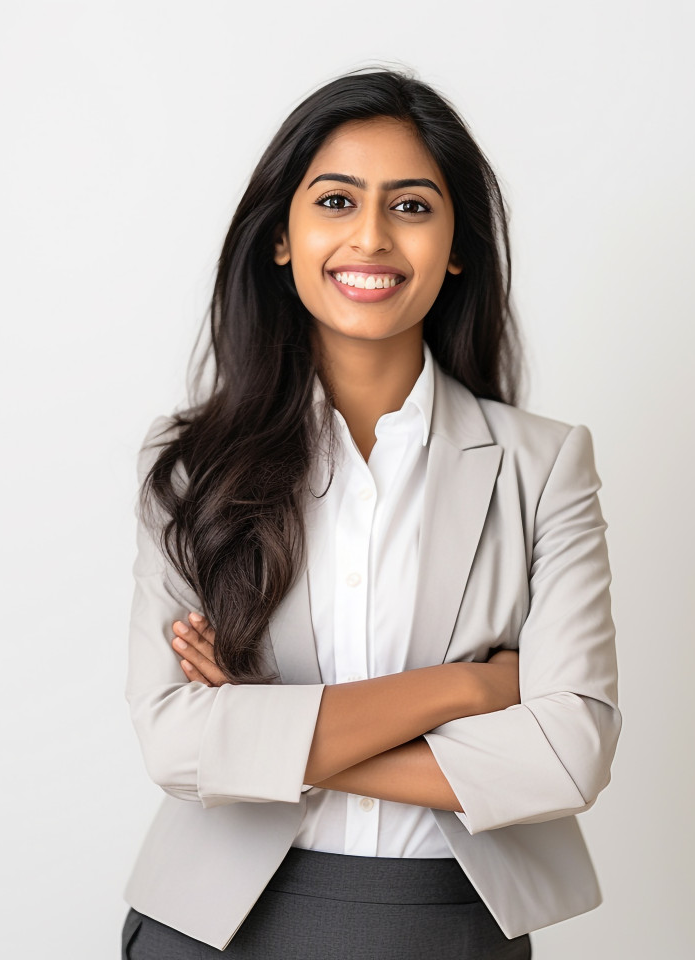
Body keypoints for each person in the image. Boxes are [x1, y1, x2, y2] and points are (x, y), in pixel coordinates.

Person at [120, 66, 621, 960]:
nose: (372, 238)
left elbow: (567, 755)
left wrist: (262, 728)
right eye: (338, 200)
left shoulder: (544, 465)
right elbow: (177, 743)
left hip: (447, 922)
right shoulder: (194, 465)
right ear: (282, 236)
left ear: (458, 244)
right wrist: (465, 690)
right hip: (217, 924)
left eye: (414, 207)